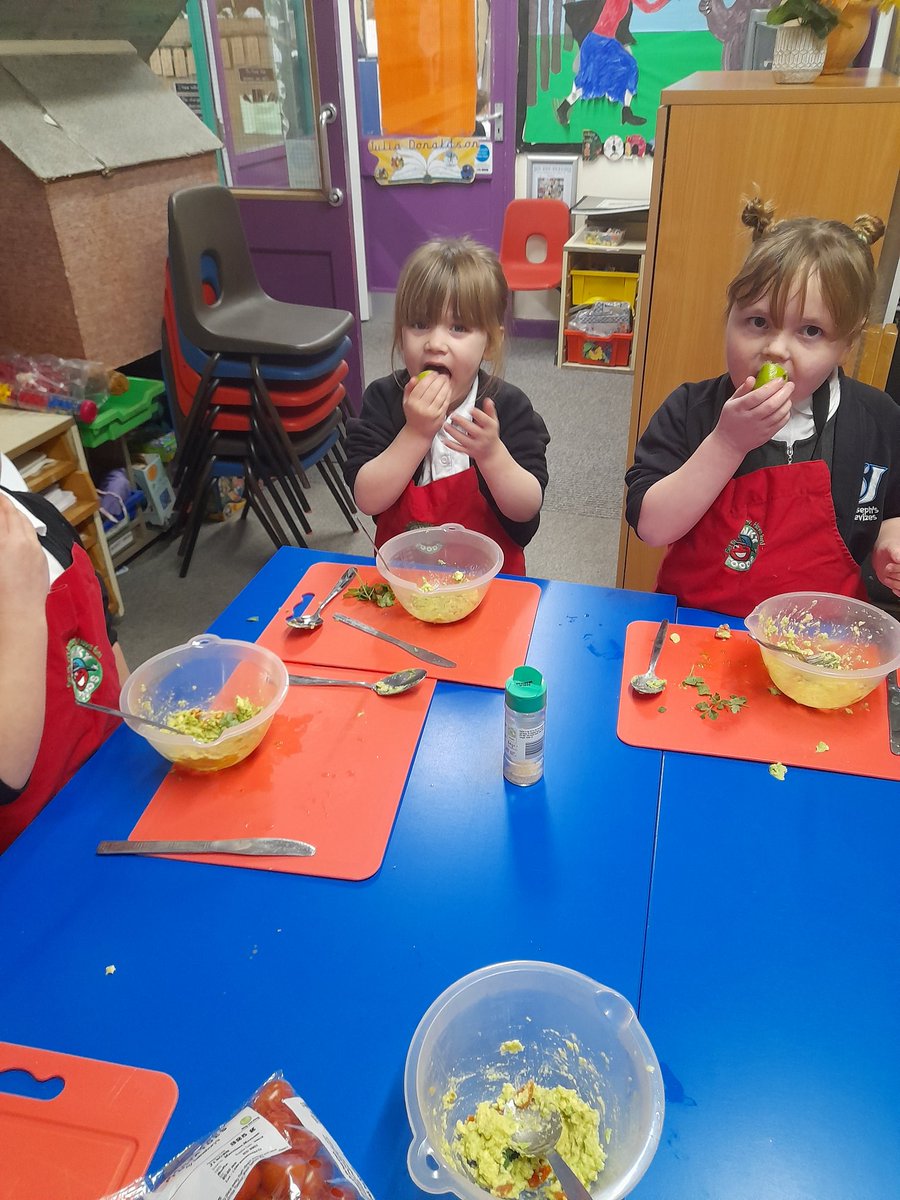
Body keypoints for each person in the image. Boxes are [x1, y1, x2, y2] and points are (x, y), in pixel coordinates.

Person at [624, 197, 900, 618]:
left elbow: (892, 510)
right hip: (700, 624)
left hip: (820, 636)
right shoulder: (690, 409)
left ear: (846, 343)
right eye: (758, 322)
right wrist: (727, 443)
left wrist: (889, 543)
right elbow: (652, 527)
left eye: (810, 331)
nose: (776, 348)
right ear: (729, 317)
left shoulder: (878, 419)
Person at [343, 236, 550, 575]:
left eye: (458, 328)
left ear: (490, 343)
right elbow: (367, 498)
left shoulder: (507, 407)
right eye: (419, 324)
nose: (435, 343)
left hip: (491, 584)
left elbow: (526, 508)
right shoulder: (383, 399)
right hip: (405, 581)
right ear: (400, 334)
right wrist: (415, 433)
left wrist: (492, 455)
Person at [0, 454, 126, 851]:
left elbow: (105, 637)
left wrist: (141, 727)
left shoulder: (37, 515)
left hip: (118, 779)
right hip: (33, 849)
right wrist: (21, 606)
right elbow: (6, 779)